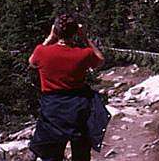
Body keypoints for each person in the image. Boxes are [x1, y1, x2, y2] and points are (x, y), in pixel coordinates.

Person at [28, 14, 110, 161]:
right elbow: (100, 60)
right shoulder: (83, 54)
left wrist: (50, 37)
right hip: (78, 107)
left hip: (52, 108)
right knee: (81, 153)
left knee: (52, 154)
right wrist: (85, 38)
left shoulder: (41, 52)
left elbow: (32, 62)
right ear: (75, 33)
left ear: (56, 30)